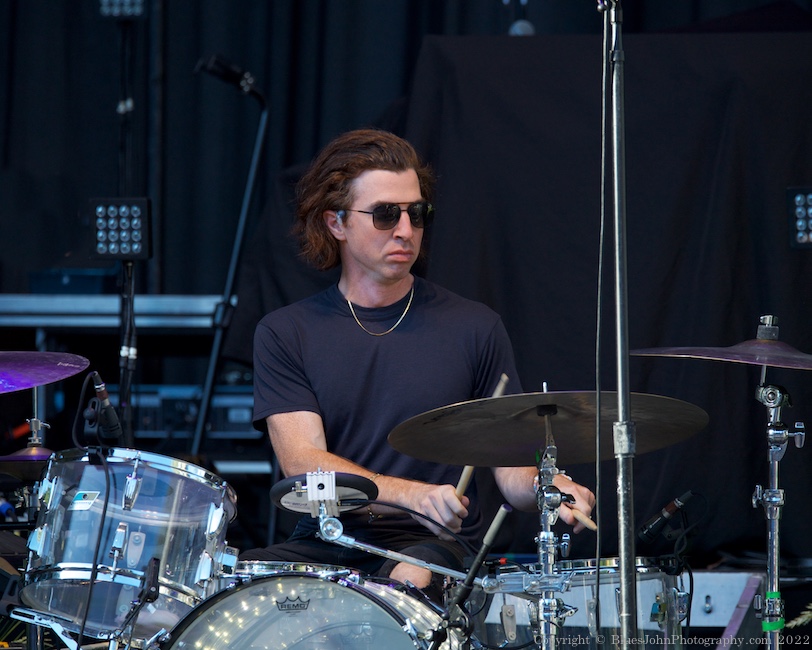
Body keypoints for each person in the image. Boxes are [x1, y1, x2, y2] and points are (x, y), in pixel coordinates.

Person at [242, 128, 595, 600]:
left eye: (417, 213)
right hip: (328, 541)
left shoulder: (474, 327)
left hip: (432, 546)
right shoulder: (286, 332)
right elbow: (304, 463)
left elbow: (511, 475)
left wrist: (552, 490)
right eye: (386, 215)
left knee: (407, 582)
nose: (406, 230)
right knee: (234, 589)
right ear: (337, 223)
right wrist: (411, 493)